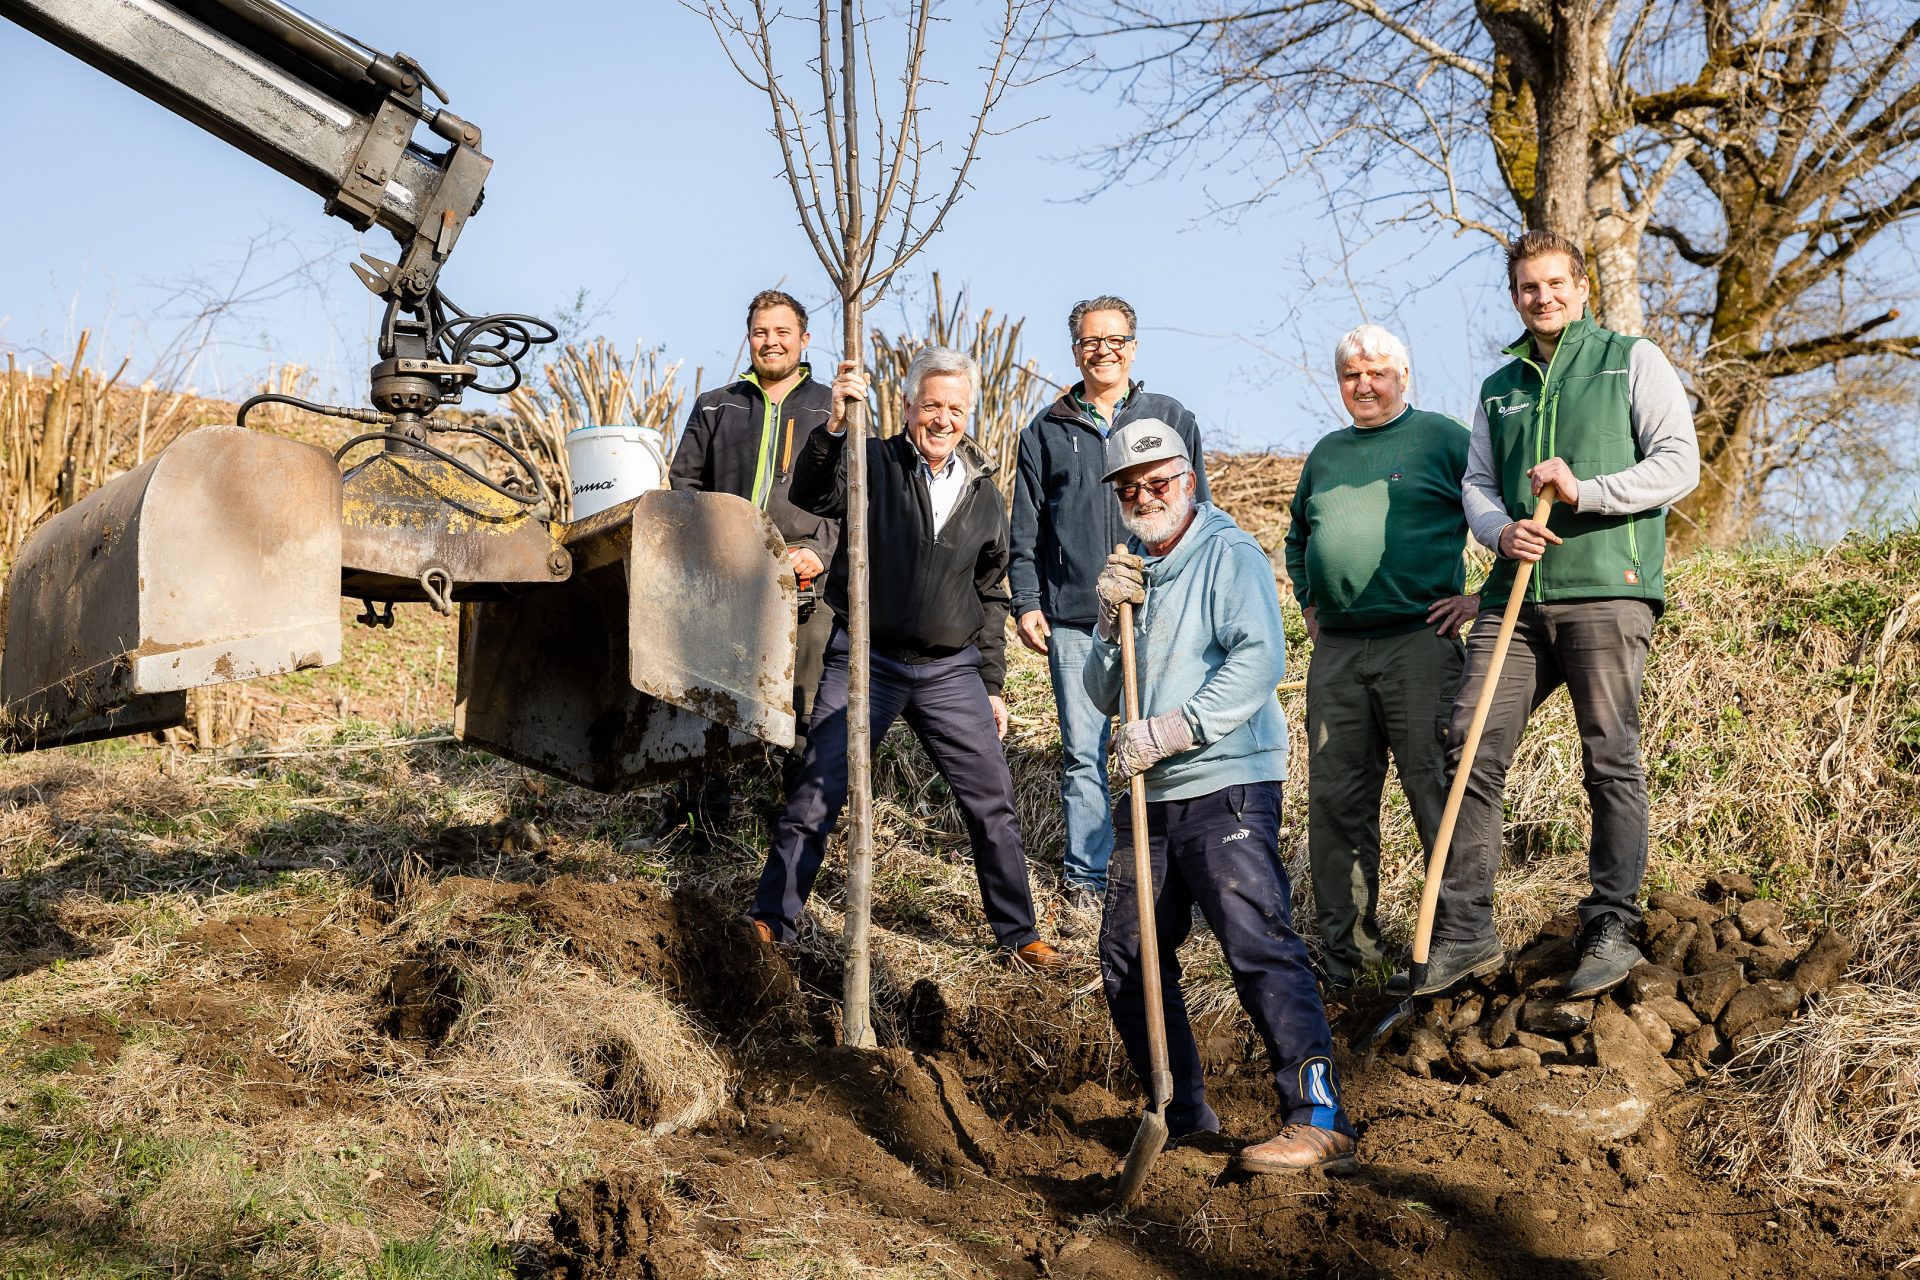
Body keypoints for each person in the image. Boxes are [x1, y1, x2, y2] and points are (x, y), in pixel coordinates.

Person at [1415, 229, 1700, 999]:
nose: (1542, 298)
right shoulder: (1499, 385)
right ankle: (1468, 931)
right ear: (1515, 298)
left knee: (1610, 756)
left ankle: (1611, 922)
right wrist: (1498, 530)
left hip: (1607, 588)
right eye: (1527, 288)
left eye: (1554, 284)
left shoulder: (1629, 359)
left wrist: (1586, 491)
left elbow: (1679, 463)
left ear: (1581, 287)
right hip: (1515, 598)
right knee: (1468, 744)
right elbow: (1477, 483)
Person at [1086, 420, 1356, 1172]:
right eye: (1131, 490)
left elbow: (1259, 660)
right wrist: (1109, 627)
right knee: (1128, 953)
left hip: (1228, 783)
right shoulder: (1131, 571)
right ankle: (1183, 1112)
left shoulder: (1228, 552)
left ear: (1189, 479)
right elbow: (1102, 690)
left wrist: (1174, 729)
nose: (1146, 498)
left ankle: (1318, 1115)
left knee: (1257, 945)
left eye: (1159, 483)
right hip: (1152, 796)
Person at [748, 346, 1068, 970]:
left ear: (969, 414)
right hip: (867, 656)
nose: (942, 419)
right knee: (819, 786)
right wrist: (836, 425)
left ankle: (1019, 936)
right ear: (907, 406)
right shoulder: (871, 462)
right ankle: (770, 921)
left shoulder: (983, 495)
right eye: (931, 406)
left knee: (991, 801)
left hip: (950, 671)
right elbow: (811, 491)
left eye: (955, 409)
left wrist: (994, 684)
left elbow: (991, 591)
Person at [1283, 324, 1477, 992]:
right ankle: (1351, 962)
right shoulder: (1327, 454)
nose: (1363, 385)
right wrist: (1310, 600)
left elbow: (1506, 512)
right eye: (1350, 375)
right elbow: (1296, 533)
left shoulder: (1442, 438)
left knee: (1435, 789)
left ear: (1402, 375)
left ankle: (1459, 944)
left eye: (1376, 372)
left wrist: (1484, 597)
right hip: (1337, 653)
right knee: (1337, 802)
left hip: (1418, 643)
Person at [1008, 295, 1211, 925]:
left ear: (1134, 345)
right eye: (1091, 342)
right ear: (1075, 350)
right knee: (1084, 752)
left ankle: (1178, 875)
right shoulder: (1045, 430)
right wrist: (1027, 601)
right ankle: (1087, 882)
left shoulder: (1170, 417)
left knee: (1167, 745)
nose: (1104, 351)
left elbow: (1200, 513)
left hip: (1162, 611)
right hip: (1073, 618)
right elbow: (1026, 528)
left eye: (1116, 339)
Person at [661, 289, 839, 844]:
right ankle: (697, 827)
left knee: (806, 706)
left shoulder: (833, 408)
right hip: (725, 579)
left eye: (782, 332)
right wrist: (710, 548)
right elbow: (683, 486)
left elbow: (858, 495)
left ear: (804, 339)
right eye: (761, 332)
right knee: (703, 701)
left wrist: (821, 548)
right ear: (749, 337)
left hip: (805, 575)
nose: (771, 342)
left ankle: (804, 831)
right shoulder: (717, 405)